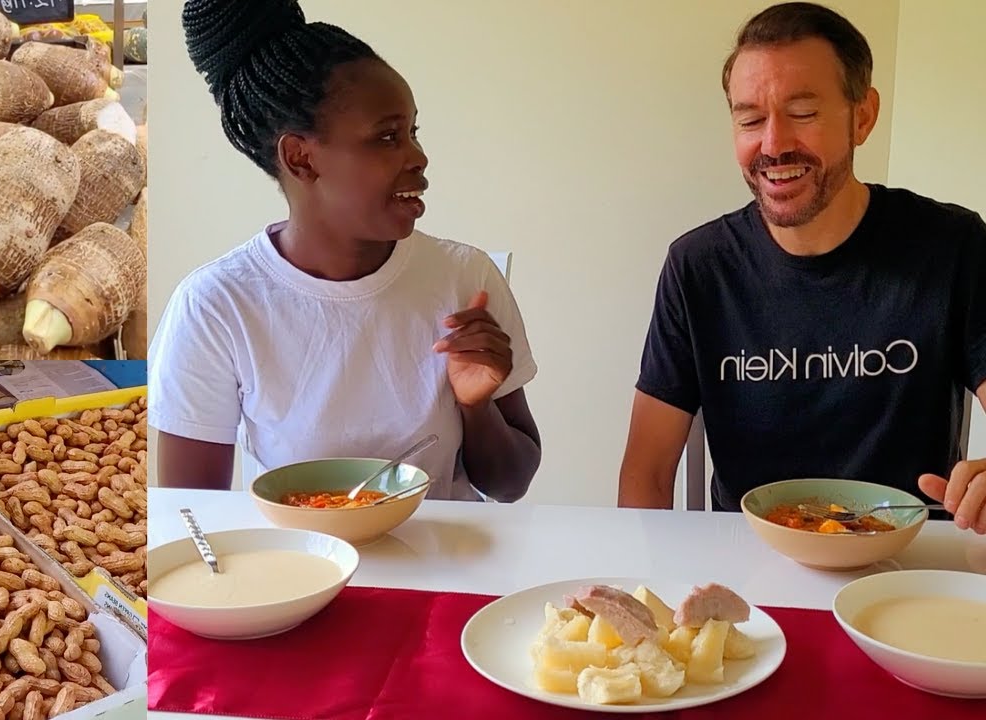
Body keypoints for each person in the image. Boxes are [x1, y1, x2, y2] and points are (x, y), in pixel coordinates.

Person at [149, 0, 541, 502]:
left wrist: (476, 405)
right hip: (295, 553)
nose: (418, 157)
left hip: (446, 551)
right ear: (301, 158)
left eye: (413, 132)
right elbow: (191, 512)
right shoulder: (217, 305)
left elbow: (511, 485)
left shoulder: (466, 278)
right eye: (387, 137)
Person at [618, 1, 986, 533]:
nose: (773, 145)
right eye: (750, 119)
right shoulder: (698, 266)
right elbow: (647, 474)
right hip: (745, 566)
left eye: (804, 113)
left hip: (909, 559)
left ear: (863, 116)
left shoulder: (953, 245)